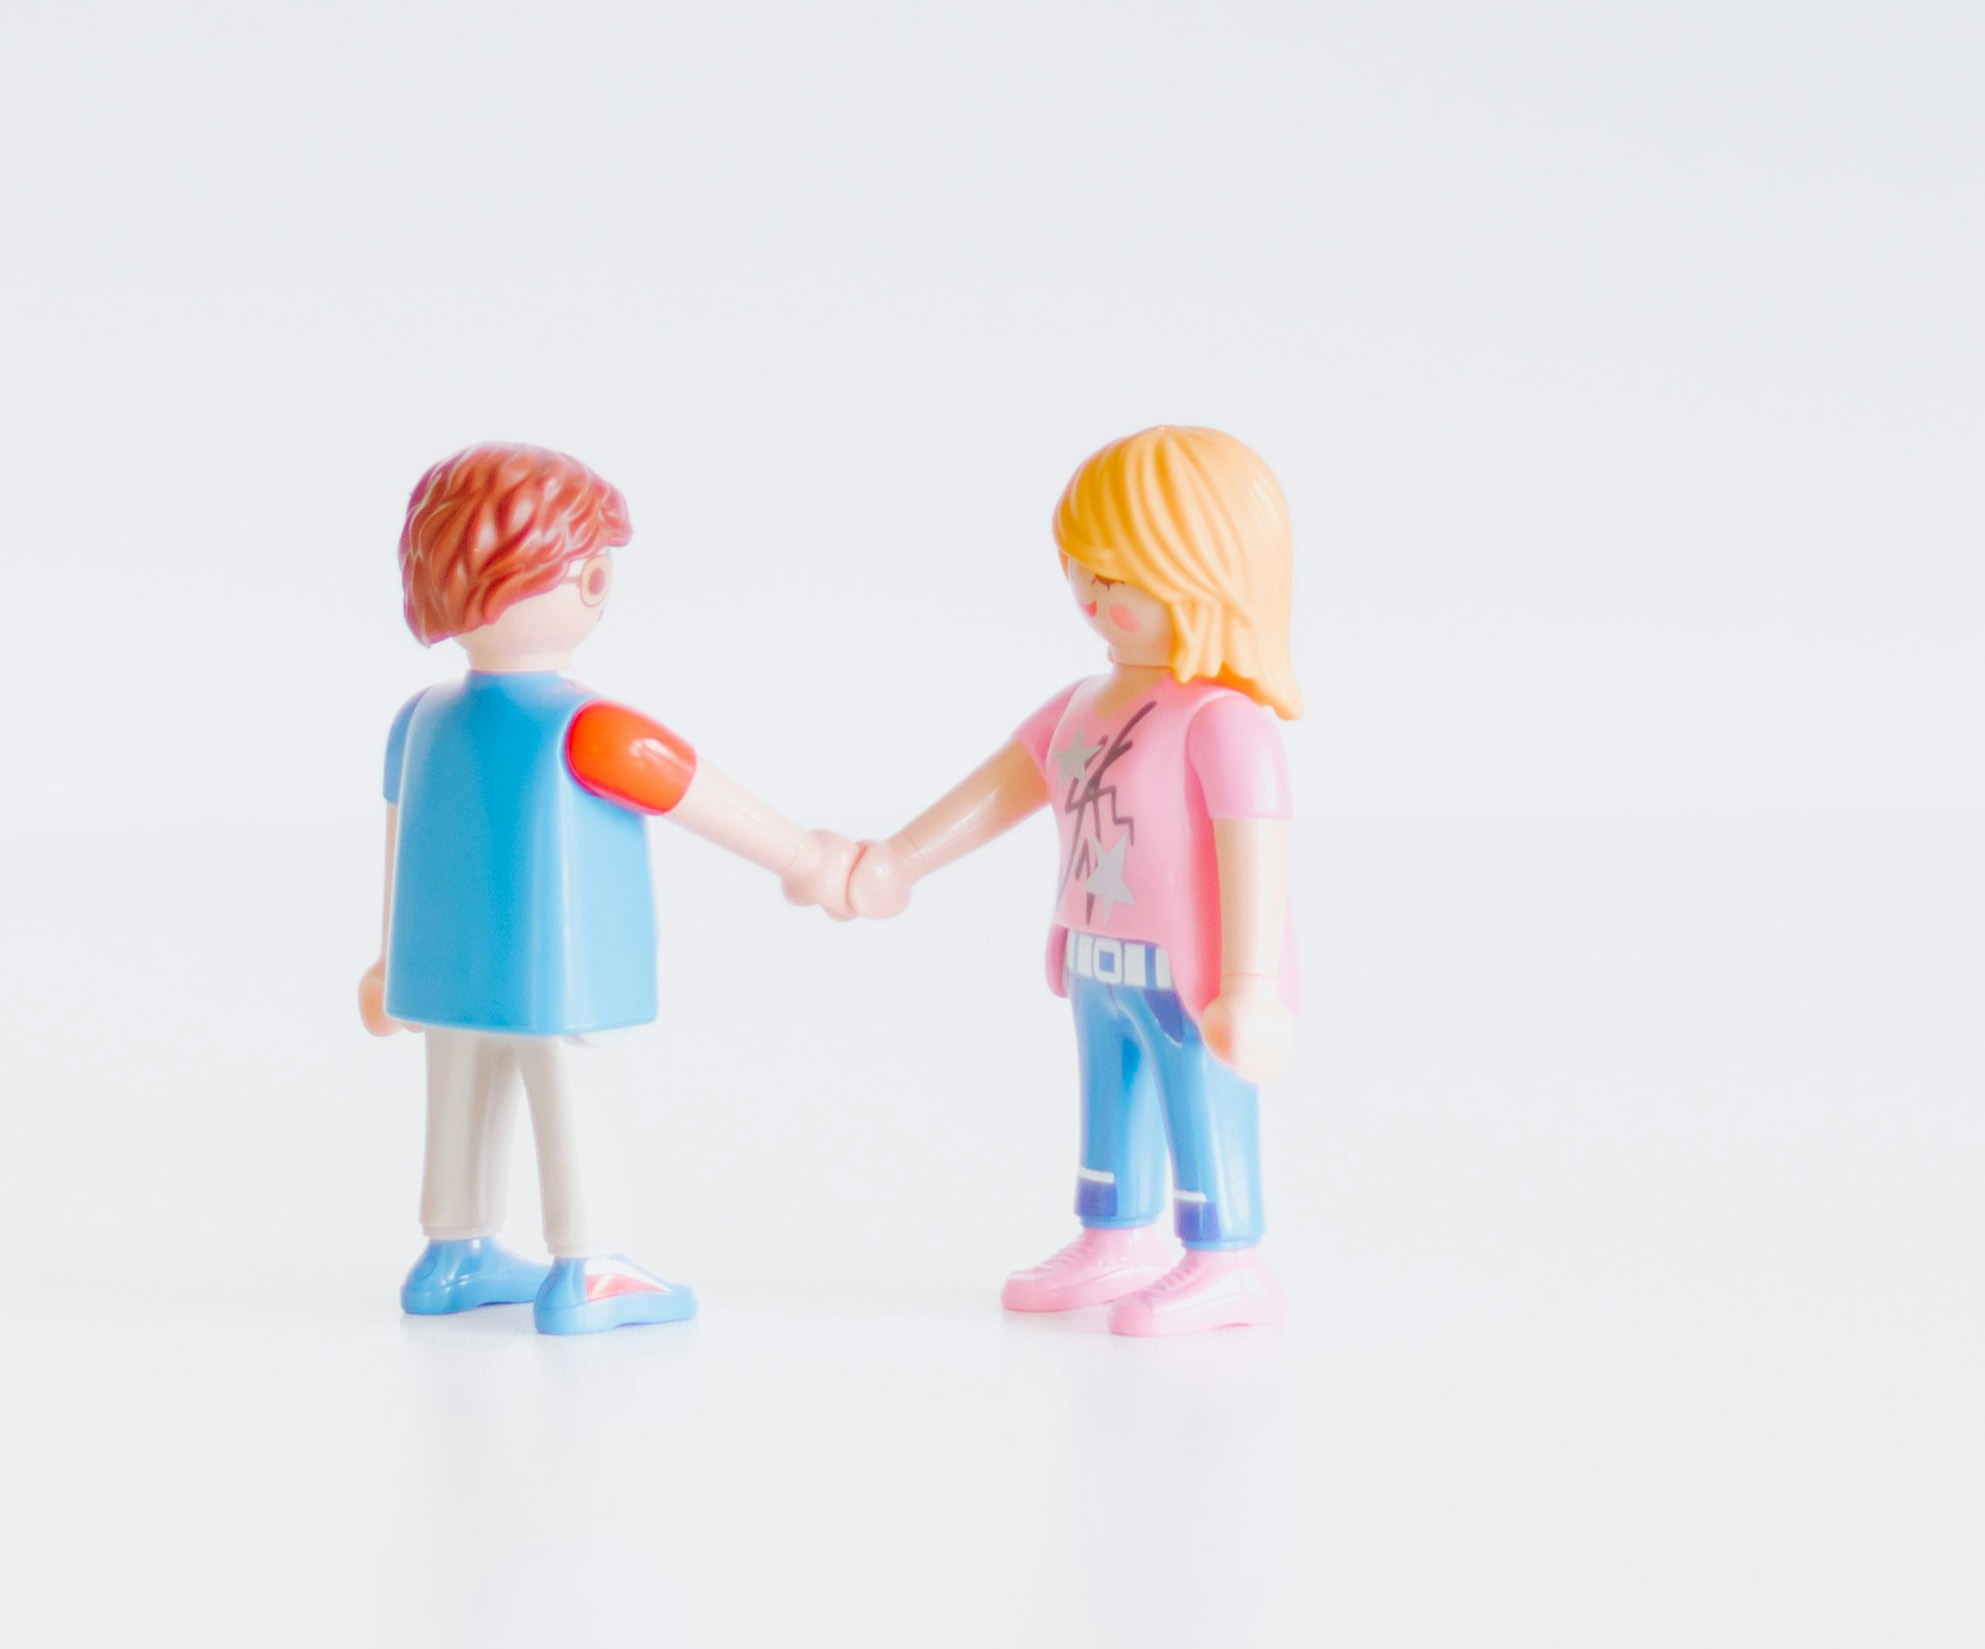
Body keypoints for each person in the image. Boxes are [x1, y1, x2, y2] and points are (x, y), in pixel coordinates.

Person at [359, 442, 856, 1335]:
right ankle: (589, 1266)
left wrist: (389, 960)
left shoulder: (419, 720)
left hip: (443, 978)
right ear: (580, 578)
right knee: (573, 1102)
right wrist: (808, 860)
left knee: (457, 1098)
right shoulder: (590, 727)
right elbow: (697, 792)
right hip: (559, 974)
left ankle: (451, 1252)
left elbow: (400, 838)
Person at [843, 427, 1305, 1337]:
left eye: (1122, 572)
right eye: (1082, 565)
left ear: (1211, 575)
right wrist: (900, 858)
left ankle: (1228, 1259)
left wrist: (1251, 986)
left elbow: (1255, 854)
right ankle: (1114, 1237)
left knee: (1201, 1097)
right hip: (1096, 957)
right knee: (1109, 1101)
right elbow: (999, 790)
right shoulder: (1081, 704)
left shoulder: (1225, 721)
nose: (1093, 591)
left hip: (1189, 976)